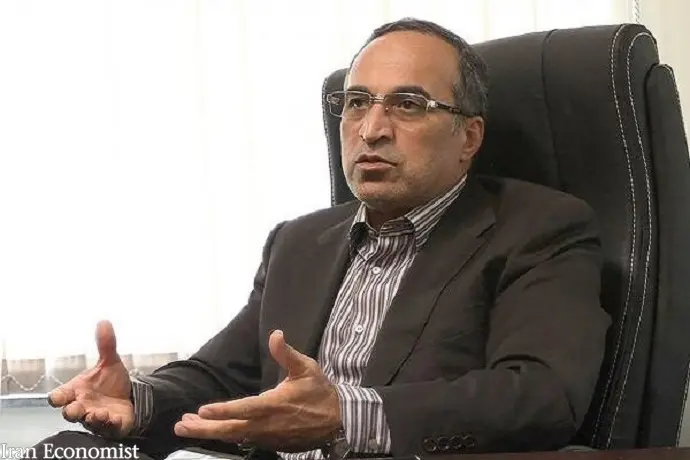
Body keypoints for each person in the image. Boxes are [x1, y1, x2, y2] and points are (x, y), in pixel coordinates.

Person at [29, 17, 610, 460]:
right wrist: (139, 397)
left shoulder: (540, 229)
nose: (371, 129)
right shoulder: (299, 242)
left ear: (469, 137)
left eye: (408, 105)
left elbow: (540, 394)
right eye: (356, 103)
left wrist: (343, 416)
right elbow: (225, 376)